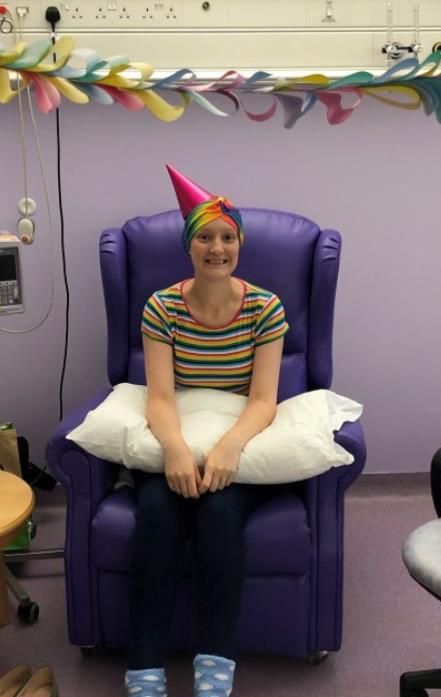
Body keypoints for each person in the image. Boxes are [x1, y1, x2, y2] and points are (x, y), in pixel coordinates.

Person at [125, 164, 289, 697]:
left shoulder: (265, 308)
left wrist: (228, 448)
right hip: (179, 434)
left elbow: (265, 399)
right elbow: (161, 396)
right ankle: (145, 666)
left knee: (218, 515)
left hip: (233, 440)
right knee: (155, 510)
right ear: (188, 246)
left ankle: (215, 667)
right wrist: (173, 449)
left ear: (239, 244)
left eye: (227, 237)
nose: (216, 248)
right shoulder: (163, 307)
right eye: (204, 238)